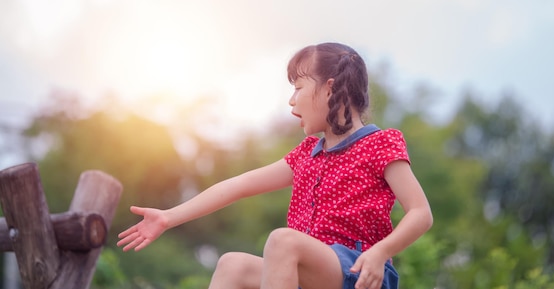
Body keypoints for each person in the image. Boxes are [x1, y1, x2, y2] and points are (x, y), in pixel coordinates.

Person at [117, 42, 433, 289]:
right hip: (308, 273)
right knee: (231, 264)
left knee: (282, 241)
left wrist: (380, 253)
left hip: (357, 271)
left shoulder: (379, 143)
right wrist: (168, 217)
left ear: (330, 88)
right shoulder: (307, 153)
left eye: (298, 87)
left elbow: (420, 213)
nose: (291, 100)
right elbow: (237, 186)